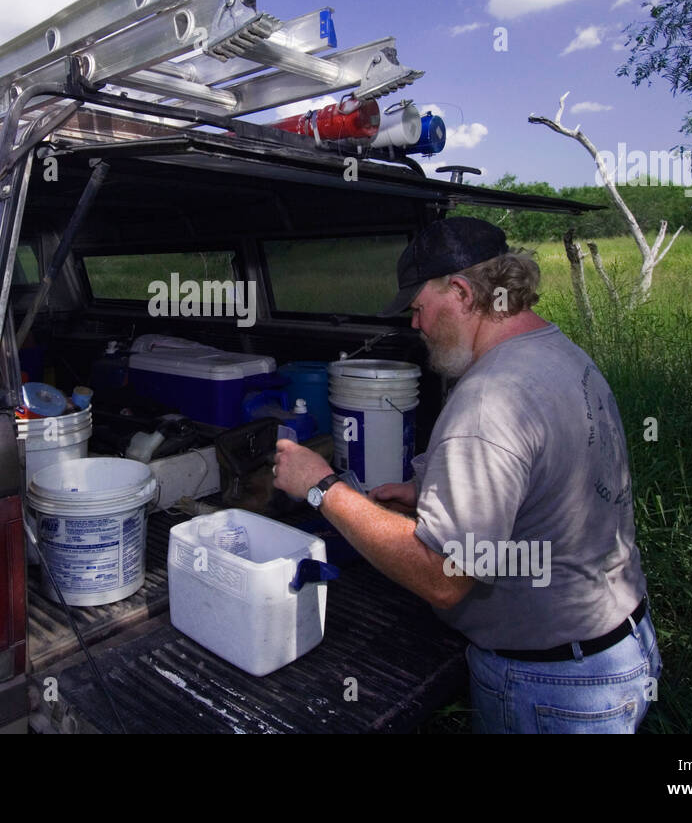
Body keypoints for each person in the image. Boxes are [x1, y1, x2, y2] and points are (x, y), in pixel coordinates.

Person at [272, 216, 661, 733]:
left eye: (418, 308)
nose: (416, 325)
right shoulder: (558, 352)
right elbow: (552, 475)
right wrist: (432, 491)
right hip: (619, 648)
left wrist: (322, 487)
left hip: (551, 687)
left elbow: (445, 577)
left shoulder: (488, 399)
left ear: (459, 291)